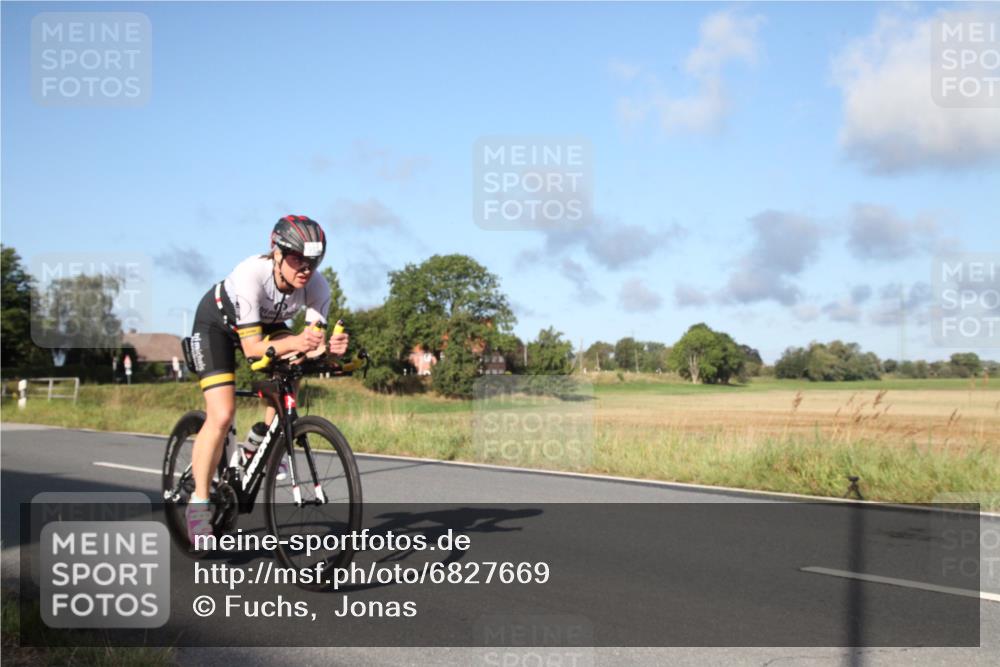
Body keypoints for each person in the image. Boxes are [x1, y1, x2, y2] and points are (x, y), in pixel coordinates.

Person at [185, 215, 349, 544]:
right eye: (297, 259)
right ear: (276, 253)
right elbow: (252, 349)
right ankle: (198, 505)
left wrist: (331, 351)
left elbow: (309, 349)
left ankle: (260, 439)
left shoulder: (318, 287)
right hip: (217, 328)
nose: (306, 268)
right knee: (221, 414)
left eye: (314, 261)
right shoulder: (251, 274)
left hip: (266, 329)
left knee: (294, 367)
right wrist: (297, 342)